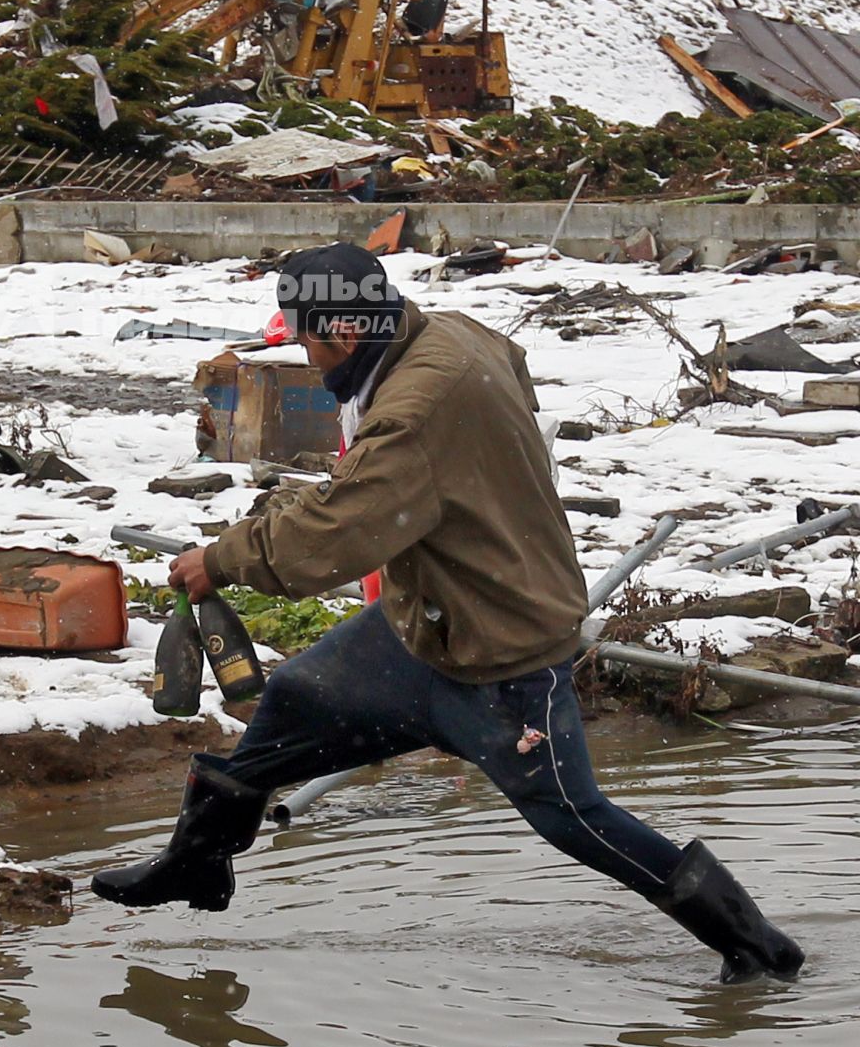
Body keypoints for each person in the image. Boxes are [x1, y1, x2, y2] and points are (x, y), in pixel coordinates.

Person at [93, 243, 804, 985]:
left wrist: (221, 559)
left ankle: (755, 945)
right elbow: (459, 418)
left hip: (505, 653)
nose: (301, 352)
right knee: (297, 695)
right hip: (419, 626)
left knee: (575, 816)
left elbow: (328, 538)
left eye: (302, 335)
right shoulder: (447, 335)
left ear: (340, 331)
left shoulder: (416, 408)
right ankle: (197, 864)